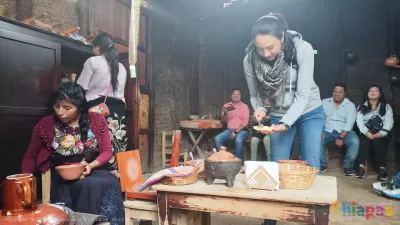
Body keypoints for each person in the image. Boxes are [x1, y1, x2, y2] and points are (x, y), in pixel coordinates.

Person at [21, 82, 124, 224]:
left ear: (79, 107)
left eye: (67, 107)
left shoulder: (96, 120)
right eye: (57, 106)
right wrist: (25, 182)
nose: (60, 112)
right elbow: (31, 155)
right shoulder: (45, 125)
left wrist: (90, 166)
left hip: (92, 170)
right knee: (88, 186)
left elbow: (107, 151)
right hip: (64, 177)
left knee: (109, 182)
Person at [243, 13, 324, 169]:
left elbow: (302, 95)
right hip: (279, 112)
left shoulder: (301, 49)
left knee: (311, 163)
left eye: (270, 47)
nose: (266, 54)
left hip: (309, 110)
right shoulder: (249, 60)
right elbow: (254, 95)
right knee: (277, 164)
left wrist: (285, 124)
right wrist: (259, 108)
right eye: (260, 48)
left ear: (281, 37)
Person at [77, 32, 128, 173]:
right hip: (118, 110)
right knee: (116, 144)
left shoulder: (92, 61)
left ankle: (96, 175)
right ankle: (120, 178)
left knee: (97, 145)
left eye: (94, 47)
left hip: (98, 107)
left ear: (98, 47)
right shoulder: (122, 67)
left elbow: (81, 87)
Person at [320, 83, 359, 176]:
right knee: (317, 139)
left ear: (345, 93)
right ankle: (322, 165)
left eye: (340, 92)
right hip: (327, 131)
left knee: (355, 141)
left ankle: (347, 167)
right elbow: (319, 118)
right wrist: (319, 130)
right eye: (335, 91)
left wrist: (341, 138)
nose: (337, 94)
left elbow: (350, 123)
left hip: (345, 131)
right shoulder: (324, 102)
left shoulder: (350, 105)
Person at [355, 85, 393, 180]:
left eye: (376, 91)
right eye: (370, 91)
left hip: (381, 133)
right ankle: (361, 168)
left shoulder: (386, 107)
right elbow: (359, 122)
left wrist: (380, 134)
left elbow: (389, 123)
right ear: (367, 94)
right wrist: (366, 132)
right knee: (363, 141)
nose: (373, 92)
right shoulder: (361, 107)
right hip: (366, 132)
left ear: (380, 94)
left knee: (378, 142)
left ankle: (382, 169)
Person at [215, 89, 249, 159]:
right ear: (231, 95)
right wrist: (225, 114)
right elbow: (223, 121)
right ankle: (224, 158)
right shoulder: (226, 106)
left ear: (241, 96)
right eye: (234, 94)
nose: (236, 96)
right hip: (229, 130)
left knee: (239, 140)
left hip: (242, 131)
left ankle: (237, 160)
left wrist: (236, 132)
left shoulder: (244, 106)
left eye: (238, 94)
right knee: (217, 138)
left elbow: (245, 122)